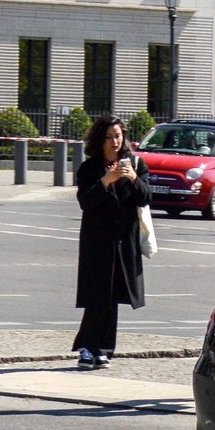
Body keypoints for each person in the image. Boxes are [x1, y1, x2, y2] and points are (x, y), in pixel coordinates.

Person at [72, 115, 148, 369]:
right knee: (97, 295)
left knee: (113, 296)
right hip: (97, 240)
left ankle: (102, 349)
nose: (114, 141)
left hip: (123, 241)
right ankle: (87, 348)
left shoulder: (135, 164)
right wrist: (106, 180)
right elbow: (86, 203)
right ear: (99, 140)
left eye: (118, 136)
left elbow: (146, 198)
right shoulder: (89, 168)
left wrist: (134, 178)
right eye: (109, 137)